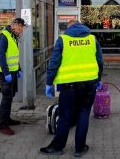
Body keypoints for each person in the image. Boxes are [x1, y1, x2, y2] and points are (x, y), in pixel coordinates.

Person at [40, 20, 103, 157]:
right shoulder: (92, 39)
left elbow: (54, 62)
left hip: (69, 86)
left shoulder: (63, 39)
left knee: (65, 116)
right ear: (81, 26)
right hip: (90, 84)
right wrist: (99, 79)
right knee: (84, 114)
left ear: (69, 28)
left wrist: (49, 83)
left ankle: (58, 147)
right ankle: (79, 149)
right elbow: (100, 60)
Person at [0, 18, 26, 135]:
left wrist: (18, 69)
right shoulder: (4, 36)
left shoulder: (13, 37)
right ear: (15, 25)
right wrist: (6, 73)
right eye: (21, 28)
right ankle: (2, 125)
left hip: (12, 72)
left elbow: (13, 57)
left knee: (10, 97)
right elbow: (1, 57)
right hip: (5, 74)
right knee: (6, 98)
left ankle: (7, 119)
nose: (22, 31)